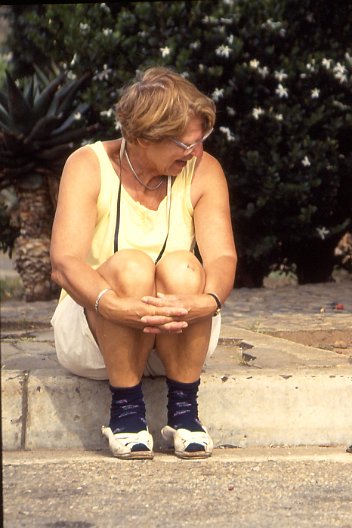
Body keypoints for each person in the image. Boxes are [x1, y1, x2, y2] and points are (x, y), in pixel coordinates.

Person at [49, 67, 237, 460]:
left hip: (177, 331)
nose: (195, 153)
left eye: (200, 141)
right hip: (96, 332)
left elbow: (221, 256)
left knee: (185, 267)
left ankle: (185, 413)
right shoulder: (87, 165)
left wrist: (208, 302)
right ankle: (126, 412)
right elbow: (64, 263)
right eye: (185, 144)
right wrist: (115, 306)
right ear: (140, 138)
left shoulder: (204, 170)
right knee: (132, 267)